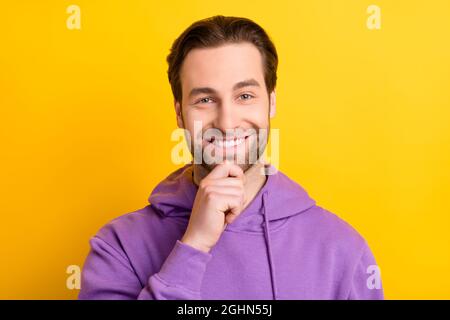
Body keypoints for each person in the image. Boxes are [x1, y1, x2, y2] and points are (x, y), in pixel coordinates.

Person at [78, 15, 384, 300]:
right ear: (179, 113)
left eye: (245, 96)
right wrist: (194, 246)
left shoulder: (342, 250)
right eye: (205, 99)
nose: (226, 123)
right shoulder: (118, 247)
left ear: (271, 102)